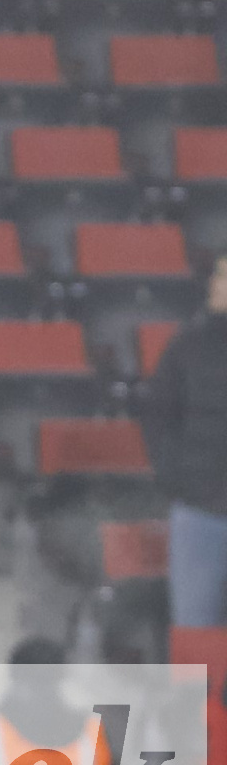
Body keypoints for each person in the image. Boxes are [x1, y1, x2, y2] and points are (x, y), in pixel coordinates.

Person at [142, 253, 227, 627]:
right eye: (219, 274)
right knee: (194, 632)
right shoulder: (185, 346)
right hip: (199, 511)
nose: (218, 284)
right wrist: (177, 481)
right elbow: (159, 419)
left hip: (197, 506)